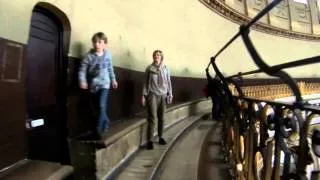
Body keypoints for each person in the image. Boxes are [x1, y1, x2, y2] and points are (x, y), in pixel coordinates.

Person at [78, 32, 118, 137]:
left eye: (99, 42)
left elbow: (110, 68)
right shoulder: (88, 56)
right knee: (97, 108)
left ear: (104, 44)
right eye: (95, 42)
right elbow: (82, 70)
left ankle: (98, 131)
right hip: (93, 85)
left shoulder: (108, 54)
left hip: (105, 84)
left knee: (101, 105)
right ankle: (106, 122)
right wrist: (82, 81)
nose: (97, 44)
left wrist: (113, 80)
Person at [142, 50, 173, 150]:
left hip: (163, 95)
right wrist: (143, 95)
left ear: (161, 57)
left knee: (162, 117)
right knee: (152, 117)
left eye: (158, 55)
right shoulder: (149, 68)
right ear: (153, 57)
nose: (156, 56)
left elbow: (168, 82)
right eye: (155, 55)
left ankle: (160, 137)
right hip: (152, 95)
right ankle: (150, 140)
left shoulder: (165, 68)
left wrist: (170, 94)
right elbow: (145, 83)